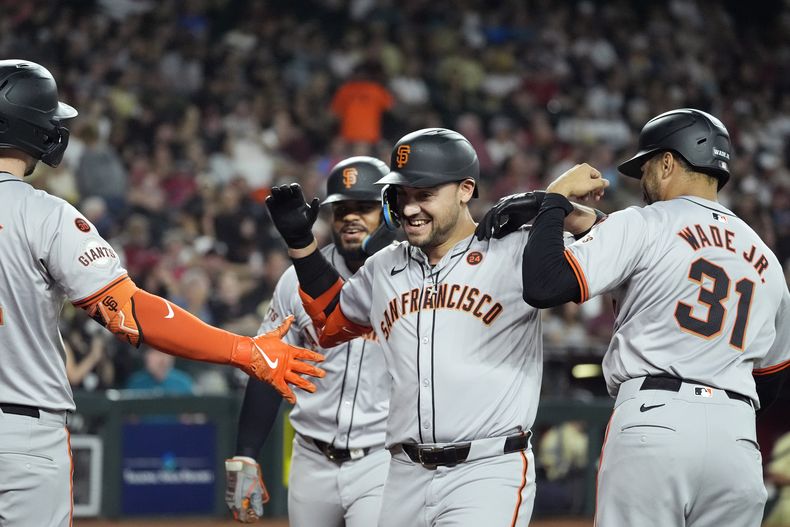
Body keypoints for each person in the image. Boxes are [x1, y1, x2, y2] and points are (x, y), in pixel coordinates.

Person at [0, 59, 324, 527]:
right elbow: (131, 312)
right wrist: (244, 350)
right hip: (22, 438)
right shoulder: (44, 215)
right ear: (33, 127)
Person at [264, 128, 599, 526]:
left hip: (486, 470)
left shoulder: (515, 248)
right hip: (404, 474)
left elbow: (624, 251)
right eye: (401, 196)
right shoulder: (383, 266)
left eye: (424, 195)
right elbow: (331, 323)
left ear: (465, 189)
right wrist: (302, 246)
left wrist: (560, 209)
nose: (409, 209)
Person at [515, 108, 789, 527]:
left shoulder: (644, 224)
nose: (641, 181)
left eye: (645, 167)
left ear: (666, 162)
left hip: (656, 421)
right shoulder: (767, 261)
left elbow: (544, 284)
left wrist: (553, 200)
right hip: (737, 440)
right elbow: (770, 380)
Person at [224, 157, 395, 525]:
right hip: (310, 458)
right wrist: (248, 453)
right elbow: (267, 364)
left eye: (364, 207)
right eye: (340, 208)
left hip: (382, 460)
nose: (350, 217)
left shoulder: (408, 278)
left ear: (387, 211)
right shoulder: (295, 280)